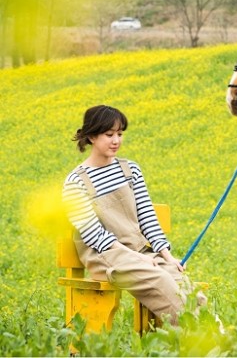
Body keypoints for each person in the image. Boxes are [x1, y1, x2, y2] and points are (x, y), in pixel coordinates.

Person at [63, 105, 202, 325]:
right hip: (106, 255)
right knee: (160, 280)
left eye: (120, 134)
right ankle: (206, 336)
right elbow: (94, 236)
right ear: (91, 136)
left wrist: (166, 256)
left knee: (183, 283)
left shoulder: (130, 170)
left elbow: (147, 217)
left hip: (138, 251)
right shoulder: (76, 182)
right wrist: (140, 258)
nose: (116, 140)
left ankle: (211, 335)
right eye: (109, 135)